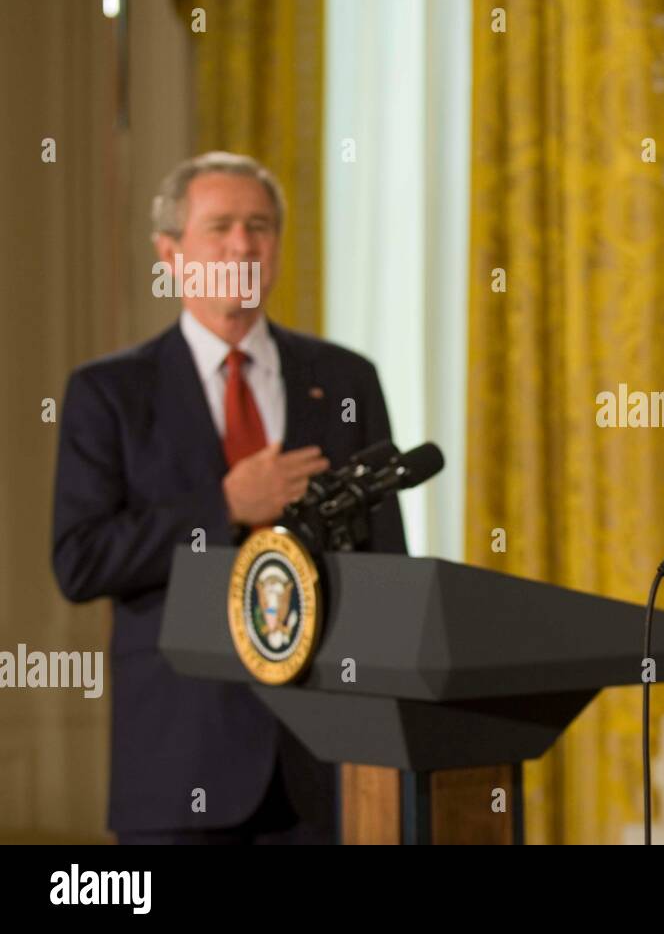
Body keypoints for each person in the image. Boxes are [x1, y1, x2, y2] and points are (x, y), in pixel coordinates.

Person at [51, 151, 407, 844]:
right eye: (219, 227)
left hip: (325, 768)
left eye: (259, 226)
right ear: (170, 251)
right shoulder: (110, 393)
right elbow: (80, 559)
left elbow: (386, 566)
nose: (242, 243)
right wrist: (223, 508)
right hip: (178, 767)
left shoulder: (344, 380)